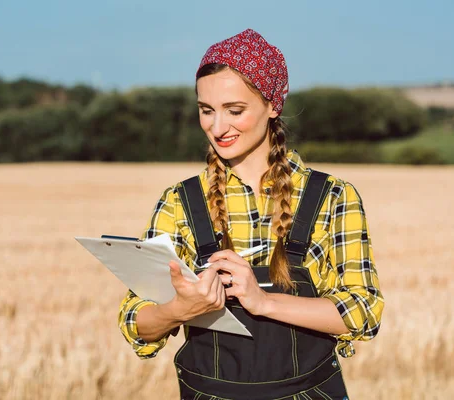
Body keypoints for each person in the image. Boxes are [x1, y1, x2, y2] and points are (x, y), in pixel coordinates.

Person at [118, 28, 384, 400]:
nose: (217, 127)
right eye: (206, 110)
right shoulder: (179, 202)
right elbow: (136, 321)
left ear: (273, 105)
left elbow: (363, 312)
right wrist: (180, 308)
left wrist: (264, 301)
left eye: (234, 110)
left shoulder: (332, 196)